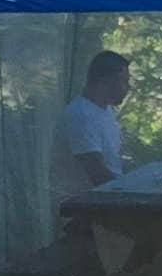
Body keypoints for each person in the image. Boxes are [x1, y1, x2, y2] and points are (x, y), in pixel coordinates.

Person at [56, 50, 132, 195]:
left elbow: (114, 166)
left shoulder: (106, 110)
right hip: (83, 206)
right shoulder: (81, 115)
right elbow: (98, 175)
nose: (128, 88)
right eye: (124, 81)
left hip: (107, 197)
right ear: (105, 81)